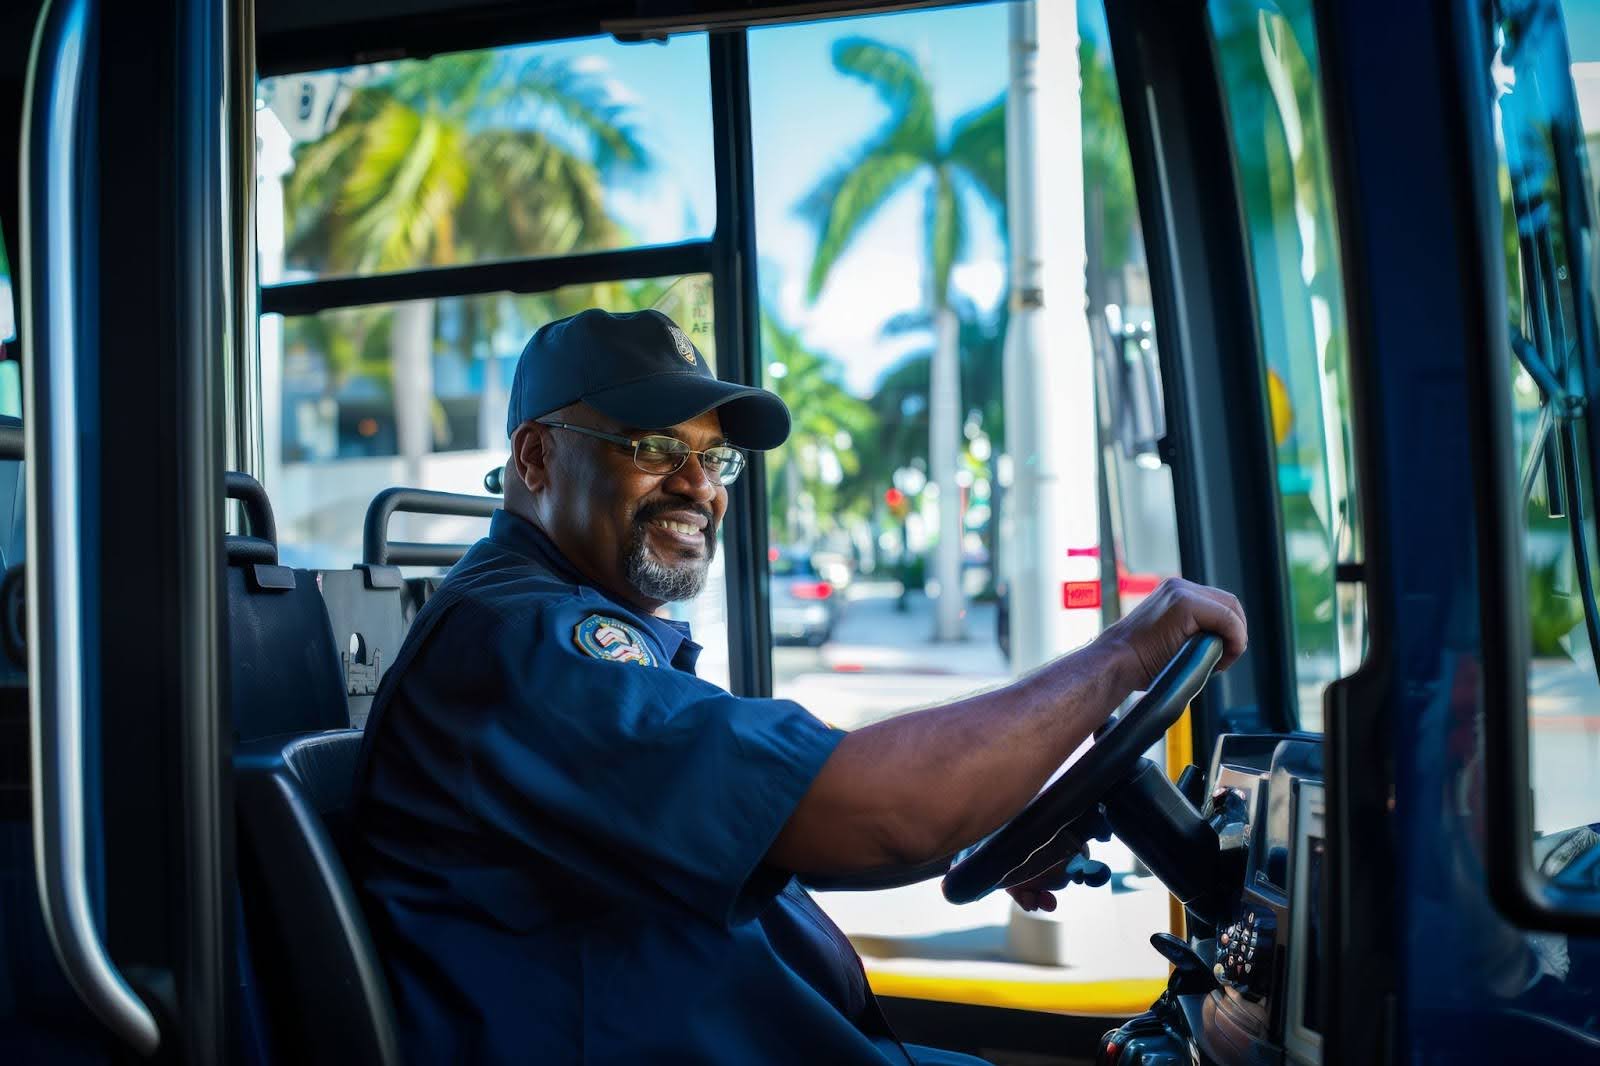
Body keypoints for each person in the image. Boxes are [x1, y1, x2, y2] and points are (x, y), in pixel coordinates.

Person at [351, 308, 1248, 1065]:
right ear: (537, 457)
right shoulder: (531, 643)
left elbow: (775, 823)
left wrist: (991, 820)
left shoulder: (568, 626)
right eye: (656, 446)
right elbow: (870, 812)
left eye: (716, 458)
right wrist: (1122, 654)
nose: (698, 485)